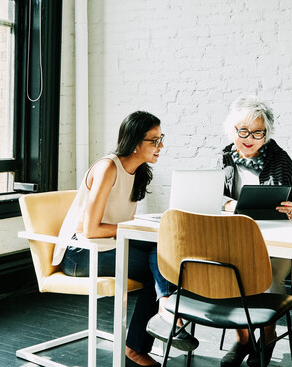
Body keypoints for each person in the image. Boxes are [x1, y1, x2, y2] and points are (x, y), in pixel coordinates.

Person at [52, 111, 196, 367]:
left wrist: (142, 227)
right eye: (154, 140)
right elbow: (91, 229)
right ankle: (148, 335)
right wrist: (132, 228)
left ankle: (162, 312)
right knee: (163, 265)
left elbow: (120, 225)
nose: (160, 146)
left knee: (167, 252)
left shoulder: (138, 172)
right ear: (134, 142)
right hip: (81, 254)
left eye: (161, 139)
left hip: (108, 247)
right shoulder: (108, 167)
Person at [218, 97, 292, 367]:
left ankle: (267, 337)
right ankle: (244, 338)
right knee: (230, 273)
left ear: (266, 134)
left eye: (258, 133)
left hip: (277, 243)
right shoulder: (225, 157)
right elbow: (214, 195)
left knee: (268, 278)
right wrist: (228, 203)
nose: (249, 139)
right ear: (232, 130)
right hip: (239, 239)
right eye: (242, 132)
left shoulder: (279, 158)